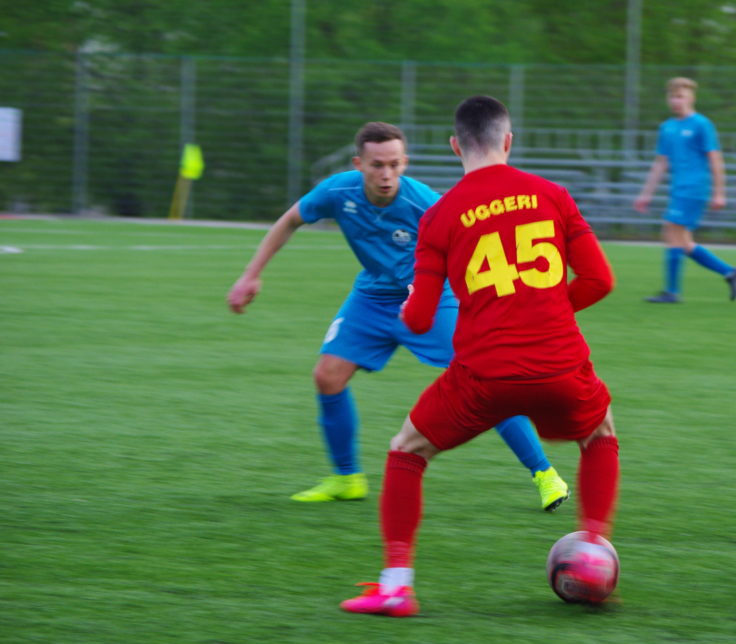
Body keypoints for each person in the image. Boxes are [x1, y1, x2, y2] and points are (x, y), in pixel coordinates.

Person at [340, 96, 620, 617]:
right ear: (508, 141)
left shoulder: (439, 215)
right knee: (599, 432)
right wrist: (547, 308)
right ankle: (591, 555)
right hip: (559, 364)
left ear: (455, 147)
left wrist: (408, 303)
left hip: (484, 374)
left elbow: (419, 320)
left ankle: (396, 586)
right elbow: (600, 280)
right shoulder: (553, 195)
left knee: (406, 451)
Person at [226, 121, 570, 511]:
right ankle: (347, 479)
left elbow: (472, 251)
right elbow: (290, 220)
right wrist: (250, 275)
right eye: (377, 165)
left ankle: (545, 474)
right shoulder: (337, 192)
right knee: (327, 376)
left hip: (433, 297)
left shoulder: (425, 204)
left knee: (484, 380)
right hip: (372, 298)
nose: (386, 174)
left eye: (394, 164)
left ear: (405, 162)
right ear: (359, 164)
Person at [634, 77, 736, 303]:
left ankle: (672, 292)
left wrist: (719, 192)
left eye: (681, 96)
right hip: (678, 189)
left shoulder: (701, 124)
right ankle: (729, 272)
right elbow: (660, 164)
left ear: (691, 98)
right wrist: (646, 193)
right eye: (672, 96)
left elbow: (715, 159)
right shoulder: (667, 127)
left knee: (672, 232)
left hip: (694, 188)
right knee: (680, 240)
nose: (676, 101)